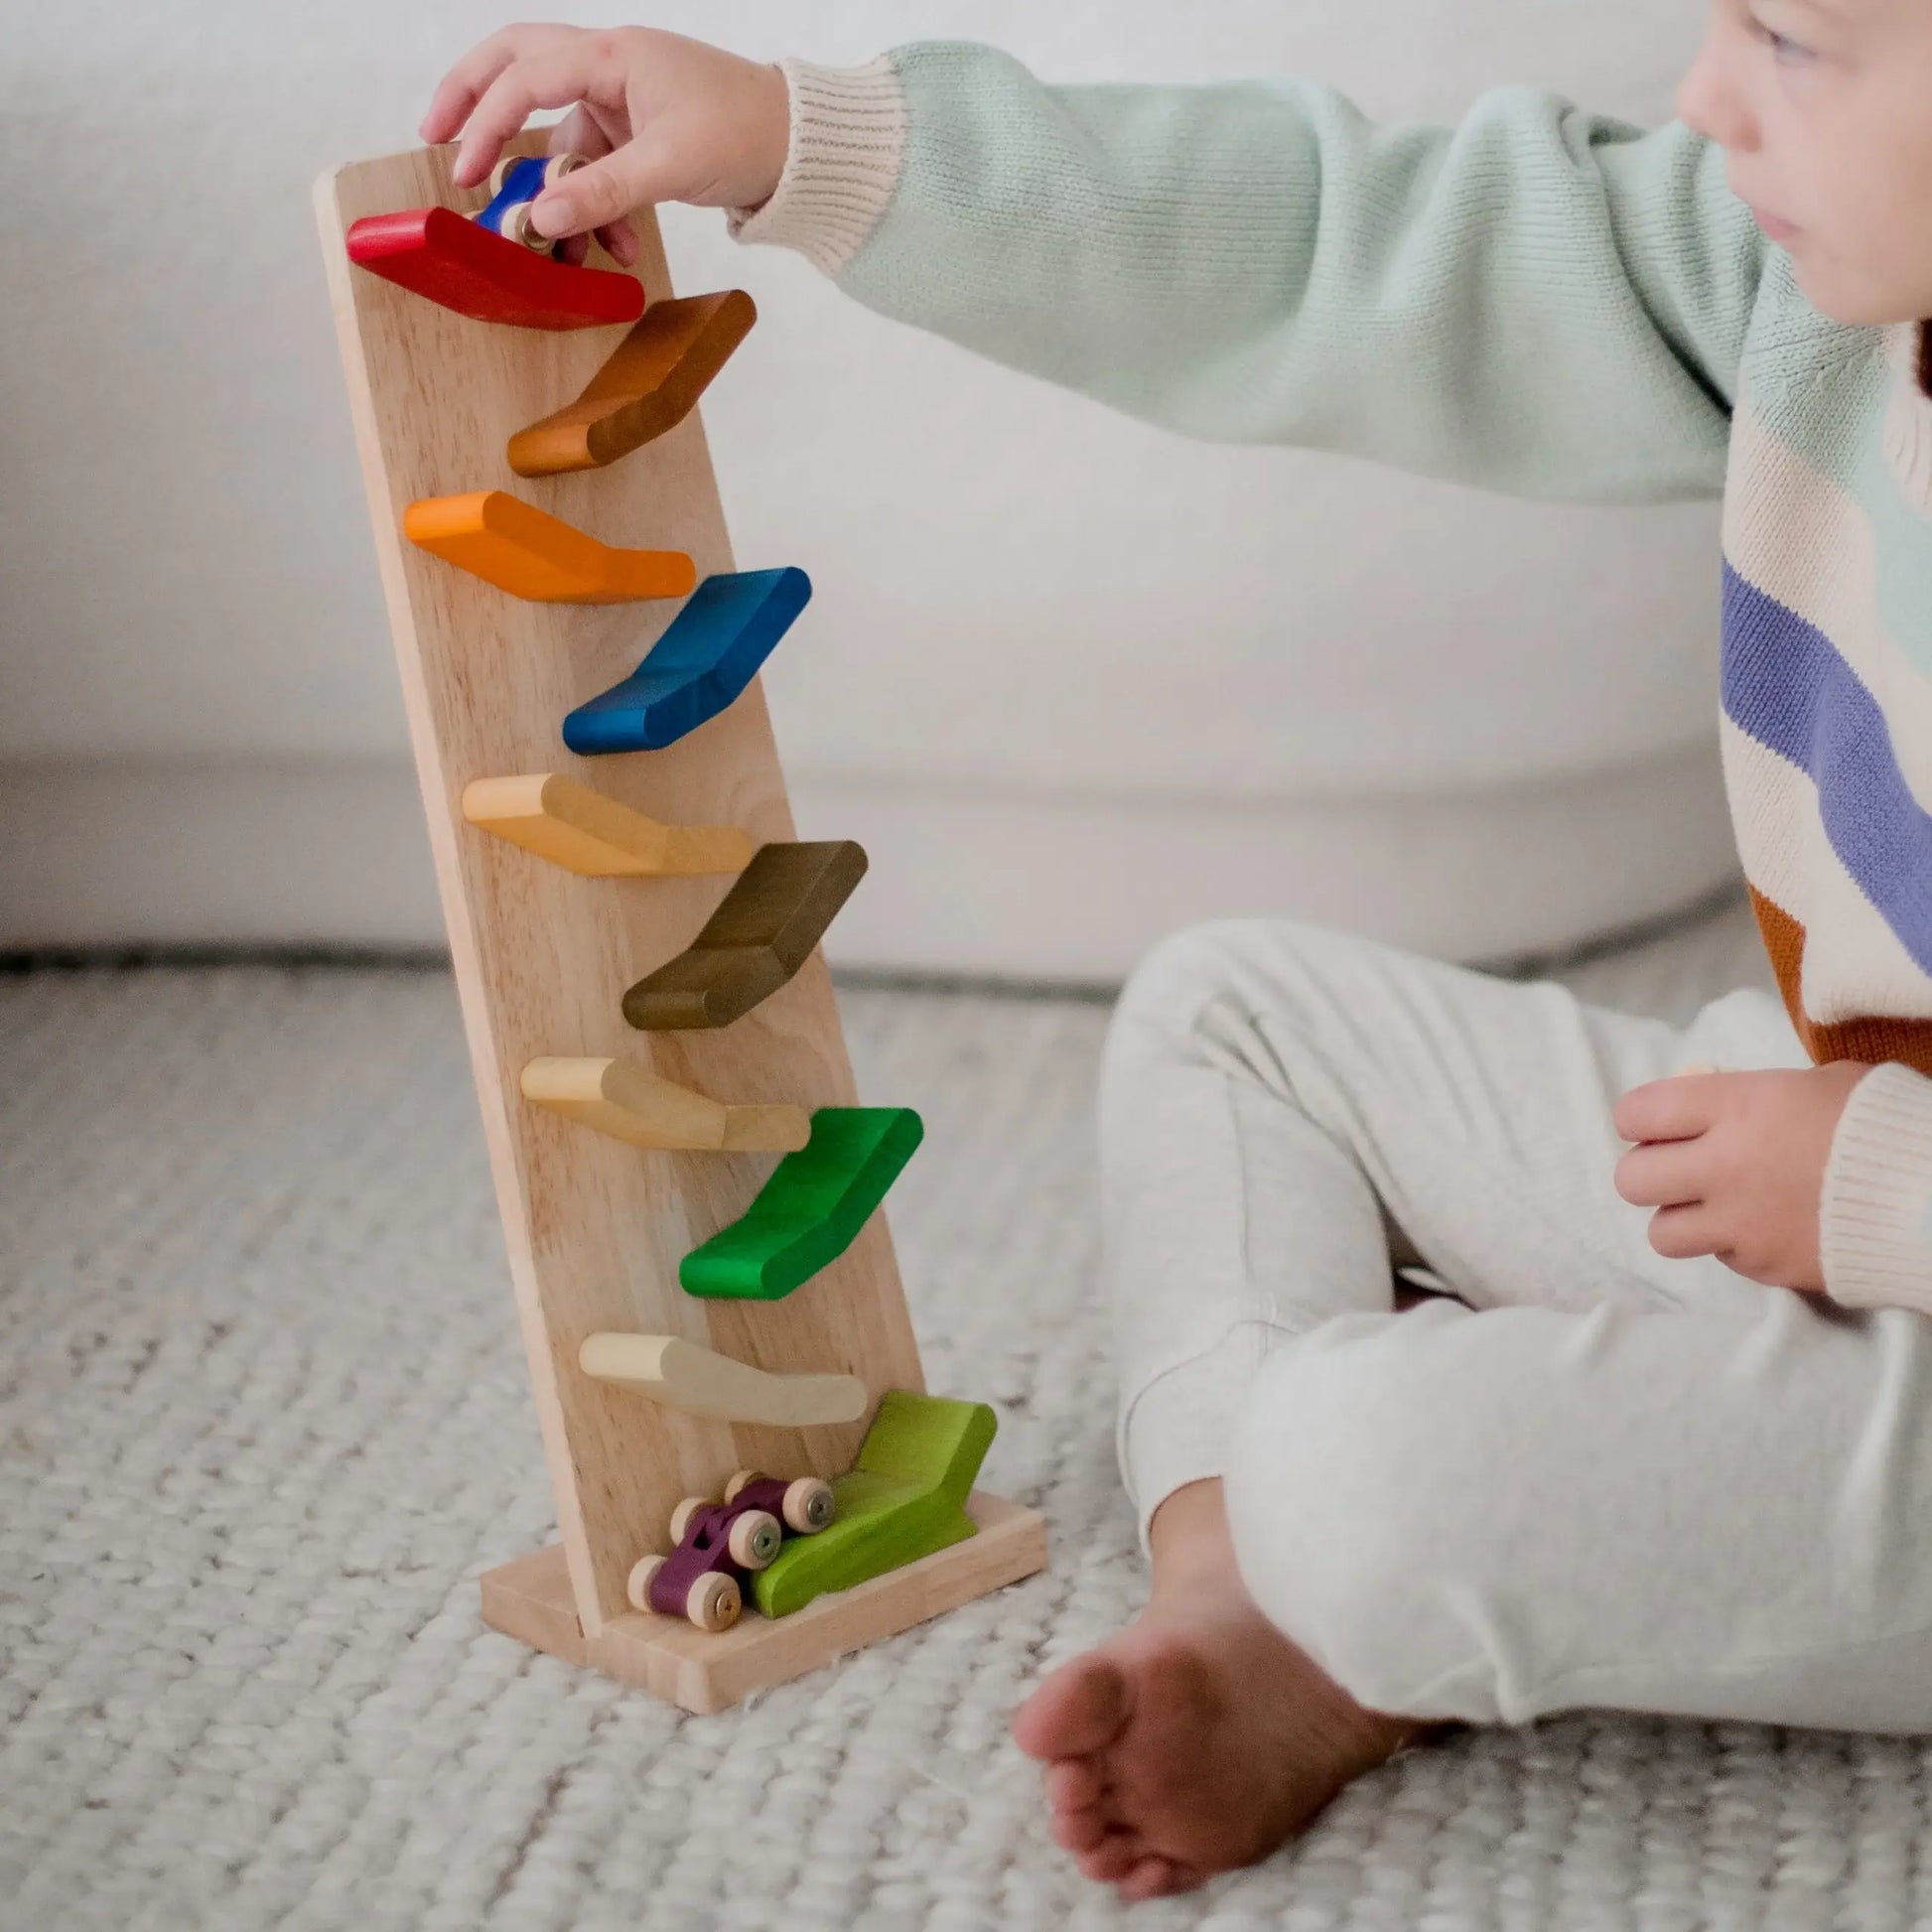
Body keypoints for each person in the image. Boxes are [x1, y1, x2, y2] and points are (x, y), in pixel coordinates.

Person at [423, 4, 1932, 1901]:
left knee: (1366, 1464)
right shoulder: (1810, 286)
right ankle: (1252, 1609)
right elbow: (1348, 246)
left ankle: (1346, 1545)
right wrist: (805, 139)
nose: (1706, 94)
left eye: (1793, 42)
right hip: (1833, 1123)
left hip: (1885, 1186)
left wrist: (1879, 1188)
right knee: (1235, 1013)